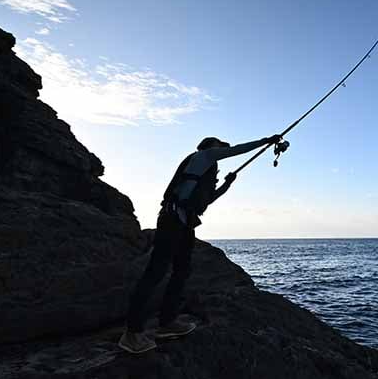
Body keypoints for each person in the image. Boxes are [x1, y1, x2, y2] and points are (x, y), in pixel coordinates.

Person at [118, 133, 281, 354]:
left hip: (185, 224)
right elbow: (238, 150)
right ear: (208, 146)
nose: (223, 148)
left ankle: (167, 323)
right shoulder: (203, 155)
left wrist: (227, 185)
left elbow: (209, 199)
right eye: (220, 145)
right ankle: (132, 332)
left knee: (182, 271)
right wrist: (267, 140)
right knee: (155, 272)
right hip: (172, 219)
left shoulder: (204, 171)